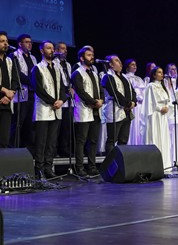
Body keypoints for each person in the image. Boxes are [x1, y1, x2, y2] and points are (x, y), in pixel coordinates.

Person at [31, 41, 66, 178]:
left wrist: (62, 100)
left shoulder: (57, 68)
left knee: (52, 142)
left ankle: (48, 168)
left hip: (57, 109)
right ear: (41, 51)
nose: (52, 50)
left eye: (52, 48)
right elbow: (38, 89)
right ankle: (39, 169)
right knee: (41, 142)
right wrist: (53, 101)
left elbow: (63, 87)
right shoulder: (37, 68)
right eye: (48, 48)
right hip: (44, 109)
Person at [71, 46, 104, 177]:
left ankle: (92, 166)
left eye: (92, 55)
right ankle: (79, 168)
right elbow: (80, 91)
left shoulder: (95, 73)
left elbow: (100, 89)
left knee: (93, 140)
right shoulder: (77, 73)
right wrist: (94, 102)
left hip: (96, 110)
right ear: (82, 58)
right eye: (89, 55)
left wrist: (101, 100)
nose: (92, 57)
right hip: (84, 109)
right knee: (81, 140)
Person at [100, 55, 136, 156]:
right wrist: (127, 103)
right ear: (110, 64)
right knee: (112, 139)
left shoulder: (124, 77)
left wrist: (133, 102)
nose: (120, 63)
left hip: (127, 112)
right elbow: (114, 92)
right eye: (116, 61)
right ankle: (111, 165)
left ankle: (121, 163)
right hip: (114, 111)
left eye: (120, 61)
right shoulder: (107, 77)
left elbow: (132, 91)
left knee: (123, 139)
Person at [143, 67, 172, 169]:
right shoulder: (151, 86)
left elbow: (168, 101)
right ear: (154, 75)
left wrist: (167, 107)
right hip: (155, 115)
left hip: (163, 116)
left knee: (163, 137)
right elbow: (150, 102)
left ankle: (165, 162)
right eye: (159, 72)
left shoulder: (164, 87)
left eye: (162, 72)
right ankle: (154, 163)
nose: (161, 74)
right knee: (155, 135)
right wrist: (160, 108)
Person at [11, 34, 36, 149]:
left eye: (30, 42)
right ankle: (14, 147)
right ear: (20, 44)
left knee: (29, 124)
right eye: (26, 42)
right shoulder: (14, 55)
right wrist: (32, 82)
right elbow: (17, 73)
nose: (29, 44)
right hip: (21, 93)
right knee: (18, 123)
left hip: (32, 94)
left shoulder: (33, 58)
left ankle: (29, 149)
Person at [54, 41, 74, 157]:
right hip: (59, 97)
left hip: (68, 98)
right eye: (62, 49)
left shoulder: (68, 65)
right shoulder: (54, 63)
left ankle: (64, 148)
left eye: (66, 49)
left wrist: (71, 88)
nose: (65, 51)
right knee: (57, 126)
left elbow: (69, 80)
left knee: (66, 126)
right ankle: (55, 149)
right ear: (56, 50)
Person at [124, 59, 144, 145]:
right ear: (127, 67)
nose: (135, 66)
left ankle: (138, 143)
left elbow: (144, 90)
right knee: (132, 124)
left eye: (135, 64)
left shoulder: (139, 78)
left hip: (140, 105)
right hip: (132, 105)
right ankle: (130, 143)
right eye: (132, 64)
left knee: (139, 124)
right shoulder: (126, 77)